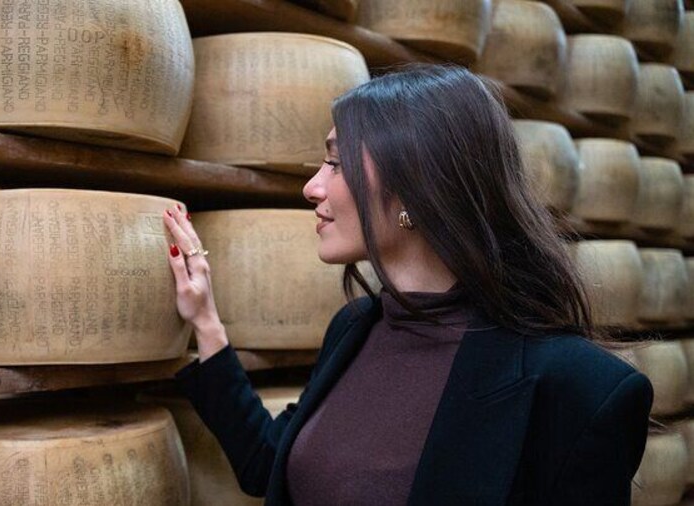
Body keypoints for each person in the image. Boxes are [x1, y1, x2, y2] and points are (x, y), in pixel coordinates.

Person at [160, 64, 653, 505]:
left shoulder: (581, 388)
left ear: (417, 182)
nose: (312, 187)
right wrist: (206, 323)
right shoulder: (355, 329)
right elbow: (269, 466)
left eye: (335, 162)